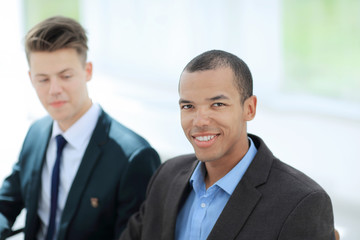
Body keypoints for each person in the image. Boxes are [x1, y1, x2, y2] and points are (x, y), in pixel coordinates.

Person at [120, 50, 336, 240]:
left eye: (217, 104)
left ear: (249, 109)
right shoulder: (166, 176)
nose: (200, 120)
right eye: (188, 106)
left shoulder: (301, 202)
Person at [0, 16, 160, 240]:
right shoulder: (36, 133)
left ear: (88, 71)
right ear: (30, 78)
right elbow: (6, 202)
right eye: (43, 79)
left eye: (65, 76)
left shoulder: (134, 157)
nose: (54, 89)